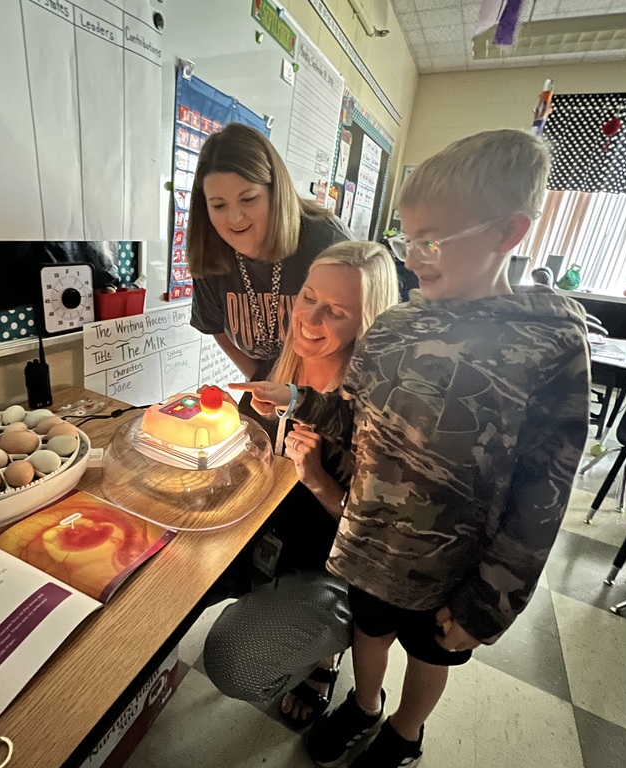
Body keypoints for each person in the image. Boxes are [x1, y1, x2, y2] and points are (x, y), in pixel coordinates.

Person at [234, 129, 591, 767]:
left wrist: (491, 600)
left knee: (430, 654)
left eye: (431, 241)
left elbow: (546, 487)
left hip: (453, 562)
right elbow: (355, 416)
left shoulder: (549, 343)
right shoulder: (395, 325)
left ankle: (405, 731)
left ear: (507, 232)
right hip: (370, 543)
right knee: (369, 634)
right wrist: (294, 401)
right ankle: (364, 704)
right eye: (406, 239)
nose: (413, 257)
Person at [202, 241, 398, 729]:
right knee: (162, 587)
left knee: (236, 664)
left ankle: (325, 652)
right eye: (308, 297)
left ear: (366, 324)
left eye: (336, 311)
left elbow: (378, 537)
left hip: (328, 566)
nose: (310, 318)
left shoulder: (378, 407)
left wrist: (318, 481)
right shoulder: (276, 366)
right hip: (260, 540)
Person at [188, 123, 351, 379]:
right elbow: (215, 325)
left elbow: (355, 341)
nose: (235, 218)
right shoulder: (210, 248)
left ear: (276, 193)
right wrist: (261, 380)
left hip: (327, 389)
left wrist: (299, 395)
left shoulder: (327, 242)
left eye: (248, 199)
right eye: (219, 205)